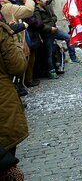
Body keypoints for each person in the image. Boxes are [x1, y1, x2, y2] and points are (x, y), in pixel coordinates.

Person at [0, 20, 28, 180]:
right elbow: (17, 66)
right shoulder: (2, 32)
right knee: (6, 167)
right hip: (3, 100)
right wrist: (17, 44)